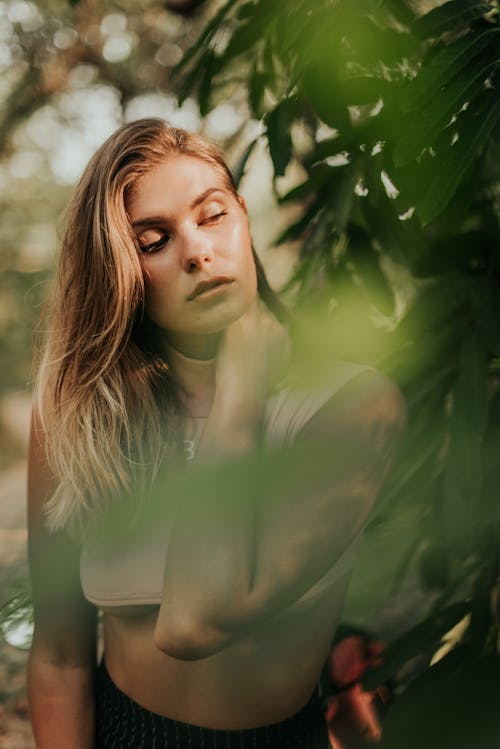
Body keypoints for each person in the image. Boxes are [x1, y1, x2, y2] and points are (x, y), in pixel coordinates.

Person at [27, 118, 405, 748]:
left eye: (212, 215)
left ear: (244, 219)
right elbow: (60, 657)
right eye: (153, 241)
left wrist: (239, 390)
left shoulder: (353, 408)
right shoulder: (79, 419)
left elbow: (193, 624)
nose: (198, 252)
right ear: (119, 274)